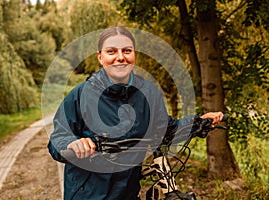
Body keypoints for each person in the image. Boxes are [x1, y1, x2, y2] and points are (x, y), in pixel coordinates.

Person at [47, 26, 224, 200]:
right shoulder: (80, 95)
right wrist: (72, 144)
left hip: (128, 192)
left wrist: (198, 122)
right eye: (111, 51)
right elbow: (57, 140)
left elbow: (165, 131)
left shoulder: (148, 93)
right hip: (87, 194)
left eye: (127, 50)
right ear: (100, 57)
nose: (120, 57)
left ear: (134, 56)